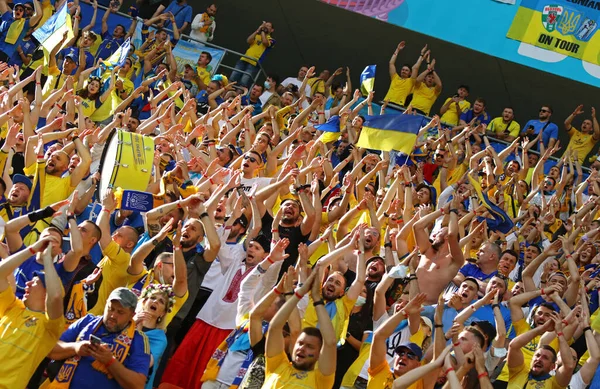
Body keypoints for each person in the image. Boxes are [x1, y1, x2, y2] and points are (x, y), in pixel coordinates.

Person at [46, 287, 151, 388]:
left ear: (132, 315)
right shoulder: (87, 321)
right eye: (111, 309)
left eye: (120, 312)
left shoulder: (139, 340)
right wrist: (75, 348)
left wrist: (110, 361)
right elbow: (49, 350)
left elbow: (138, 385)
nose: (113, 315)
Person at [0, 238, 64, 389]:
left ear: (46, 292)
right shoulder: (13, 306)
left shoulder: (49, 326)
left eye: (35, 281)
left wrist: (48, 259)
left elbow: (55, 297)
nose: (27, 283)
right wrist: (32, 250)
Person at [263, 263, 337, 388]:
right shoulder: (277, 365)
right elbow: (274, 328)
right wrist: (300, 293)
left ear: (319, 354)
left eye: (310, 347)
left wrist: (316, 299)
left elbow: (330, 342)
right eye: (300, 343)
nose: (302, 348)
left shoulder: (321, 381)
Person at [230, 22, 275, 88]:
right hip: (244, 59)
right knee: (232, 78)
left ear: (272, 30)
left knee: (243, 83)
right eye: (265, 25)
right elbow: (248, 40)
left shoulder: (272, 40)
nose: (266, 26)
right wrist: (258, 30)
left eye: (268, 26)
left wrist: (262, 31)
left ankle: (238, 97)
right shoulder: (257, 35)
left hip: (254, 63)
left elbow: (265, 42)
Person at [383, 41, 415, 108]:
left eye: (406, 70)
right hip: (386, 103)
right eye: (403, 70)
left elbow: (416, 68)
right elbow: (391, 63)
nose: (404, 71)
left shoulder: (410, 81)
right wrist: (397, 50)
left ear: (410, 73)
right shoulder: (395, 77)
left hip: (398, 106)